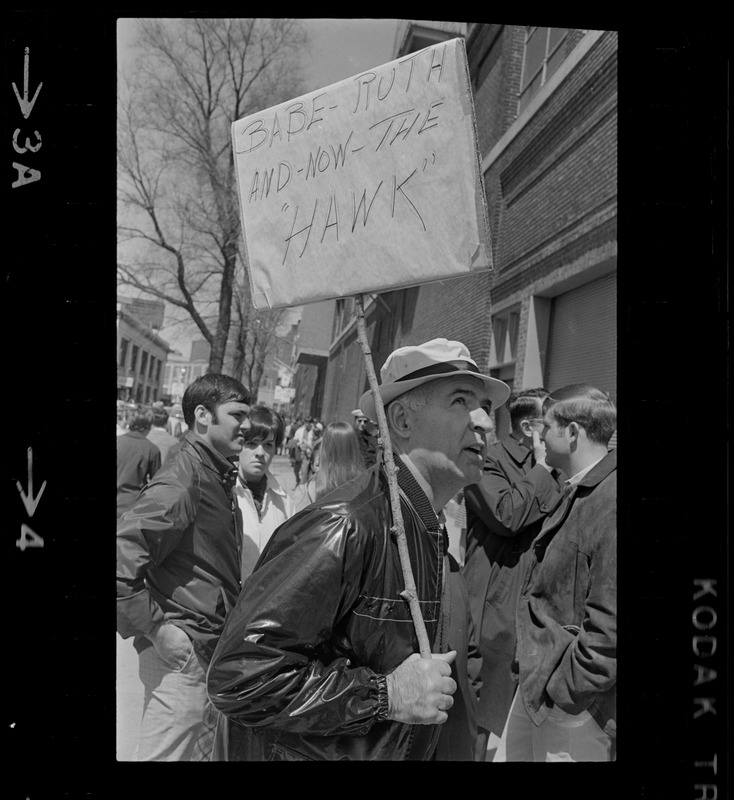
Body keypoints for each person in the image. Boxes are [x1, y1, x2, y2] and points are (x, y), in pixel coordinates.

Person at [207, 338, 511, 761]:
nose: (483, 422)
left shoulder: (423, 525)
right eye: (460, 401)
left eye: (485, 407)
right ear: (401, 420)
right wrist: (385, 694)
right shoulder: (344, 523)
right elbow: (241, 677)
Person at [116, 373, 251, 761]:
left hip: (203, 646)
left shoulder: (210, 470)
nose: (246, 425)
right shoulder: (184, 478)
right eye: (237, 415)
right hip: (183, 653)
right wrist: (157, 629)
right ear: (203, 415)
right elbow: (121, 562)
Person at [494, 384, 617, 762]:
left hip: (572, 709)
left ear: (573, 432)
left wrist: (565, 691)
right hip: (542, 689)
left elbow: (610, 625)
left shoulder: (609, 499)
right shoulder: (580, 488)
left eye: (546, 426)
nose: (539, 436)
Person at [462, 388, 565, 759]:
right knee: (481, 711)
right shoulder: (485, 460)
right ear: (529, 426)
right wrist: (541, 470)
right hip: (494, 604)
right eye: (550, 419)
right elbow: (506, 514)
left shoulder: (555, 466)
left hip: (535, 607)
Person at [235, 403, 294, 580]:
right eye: (252, 444)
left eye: (268, 445)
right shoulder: (224, 492)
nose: (260, 453)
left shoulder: (284, 501)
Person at [292, 421, 365, 512]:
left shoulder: (305, 491)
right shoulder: (366, 488)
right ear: (354, 447)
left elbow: (296, 524)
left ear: (324, 448)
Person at [117, 411, 161, 519]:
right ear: (147, 427)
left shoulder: (118, 441)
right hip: (134, 507)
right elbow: (156, 484)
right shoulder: (152, 449)